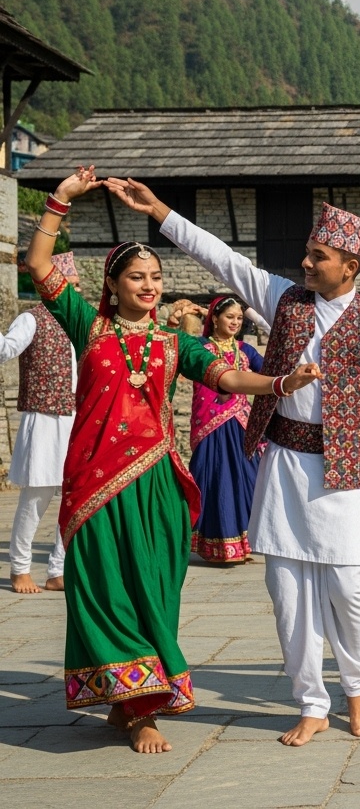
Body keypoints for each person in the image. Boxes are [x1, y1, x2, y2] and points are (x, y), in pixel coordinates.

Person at [103, 175, 360, 747]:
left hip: (344, 473)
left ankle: (357, 687)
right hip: (285, 465)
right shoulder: (284, 300)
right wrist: (160, 211)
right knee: (287, 592)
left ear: (350, 266)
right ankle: (312, 702)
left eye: (319, 256)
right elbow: (221, 258)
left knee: (349, 589)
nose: (306, 262)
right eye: (308, 253)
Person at [28, 168, 322, 753]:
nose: (149, 285)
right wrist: (60, 199)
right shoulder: (89, 326)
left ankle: (140, 704)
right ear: (113, 285)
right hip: (96, 483)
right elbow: (38, 264)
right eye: (137, 277)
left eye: (157, 277)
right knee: (102, 587)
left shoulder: (173, 343)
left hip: (157, 480)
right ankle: (131, 704)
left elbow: (227, 375)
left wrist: (279, 383)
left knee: (154, 589)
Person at [3, 252, 79, 594]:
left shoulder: (80, 323)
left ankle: (57, 569)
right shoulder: (31, 319)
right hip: (44, 418)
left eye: (77, 285)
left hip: (76, 418)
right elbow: (6, 349)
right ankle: (19, 568)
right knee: (37, 496)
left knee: (73, 496)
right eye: (70, 284)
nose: (76, 291)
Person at [189, 295, 266, 564]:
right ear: (215, 319)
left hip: (240, 424)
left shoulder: (245, 350)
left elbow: (269, 373)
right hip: (209, 425)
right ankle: (213, 544)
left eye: (239, 318)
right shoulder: (199, 347)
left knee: (248, 478)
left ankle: (245, 543)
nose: (235, 322)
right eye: (229, 317)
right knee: (213, 479)